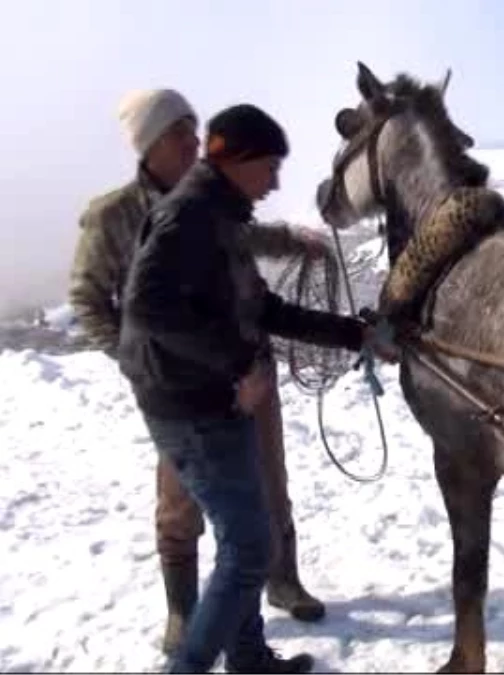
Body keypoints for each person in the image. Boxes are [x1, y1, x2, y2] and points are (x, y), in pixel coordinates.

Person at [116, 102, 399, 672]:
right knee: (249, 549)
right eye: (269, 165)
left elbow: (260, 307)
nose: (275, 180)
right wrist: (237, 367)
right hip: (193, 407)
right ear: (237, 160)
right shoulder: (189, 218)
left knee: (242, 538)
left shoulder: (221, 217)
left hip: (210, 400)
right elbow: (147, 311)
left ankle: (248, 659)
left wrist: (355, 335)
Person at [68, 89, 334, 656]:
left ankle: (273, 597)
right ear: (150, 144)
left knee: (266, 486)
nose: (194, 143)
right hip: (186, 386)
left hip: (242, 374)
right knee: (183, 502)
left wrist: (291, 243)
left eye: (196, 132)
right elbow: (97, 301)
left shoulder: (213, 202)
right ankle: (185, 612)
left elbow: (242, 245)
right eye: (181, 135)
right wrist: (144, 362)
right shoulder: (117, 214)